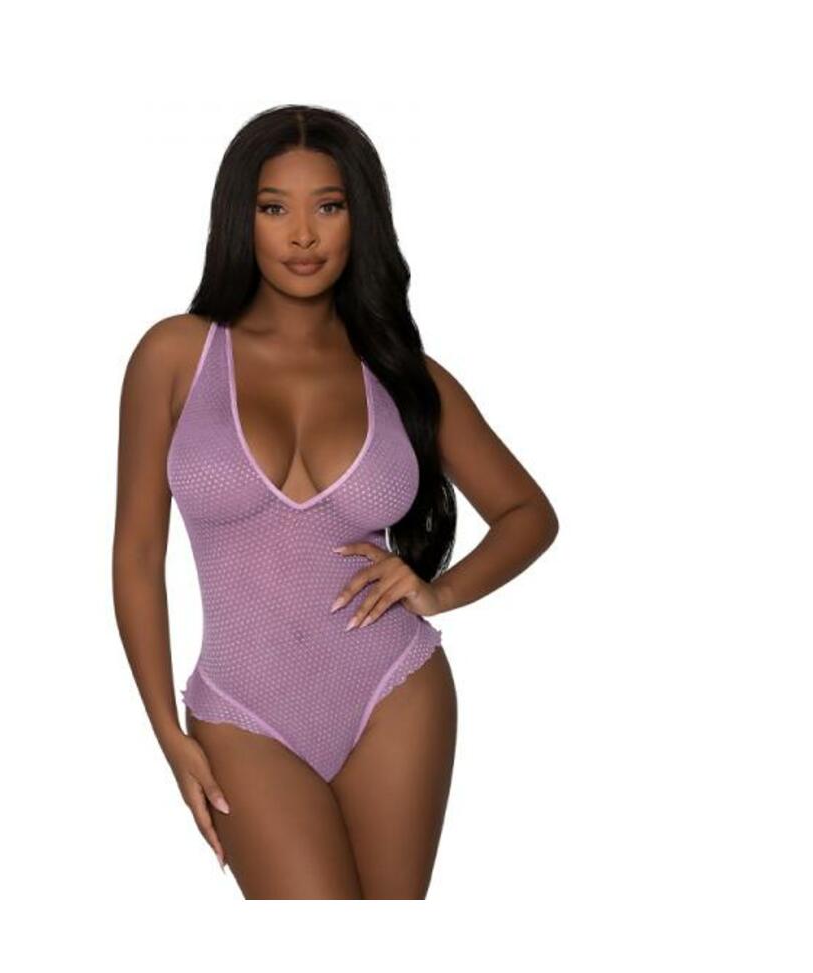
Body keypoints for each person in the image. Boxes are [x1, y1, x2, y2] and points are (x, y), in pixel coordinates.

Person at [112, 105, 559, 899]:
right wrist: (166, 733)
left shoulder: (398, 372)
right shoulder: (176, 354)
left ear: (362, 218)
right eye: (273, 207)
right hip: (242, 711)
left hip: (394, 691)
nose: (303, 235)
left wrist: (437, 590)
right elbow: (139, 555)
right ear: (240, 218)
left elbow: (529, 514)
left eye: (328, 205)